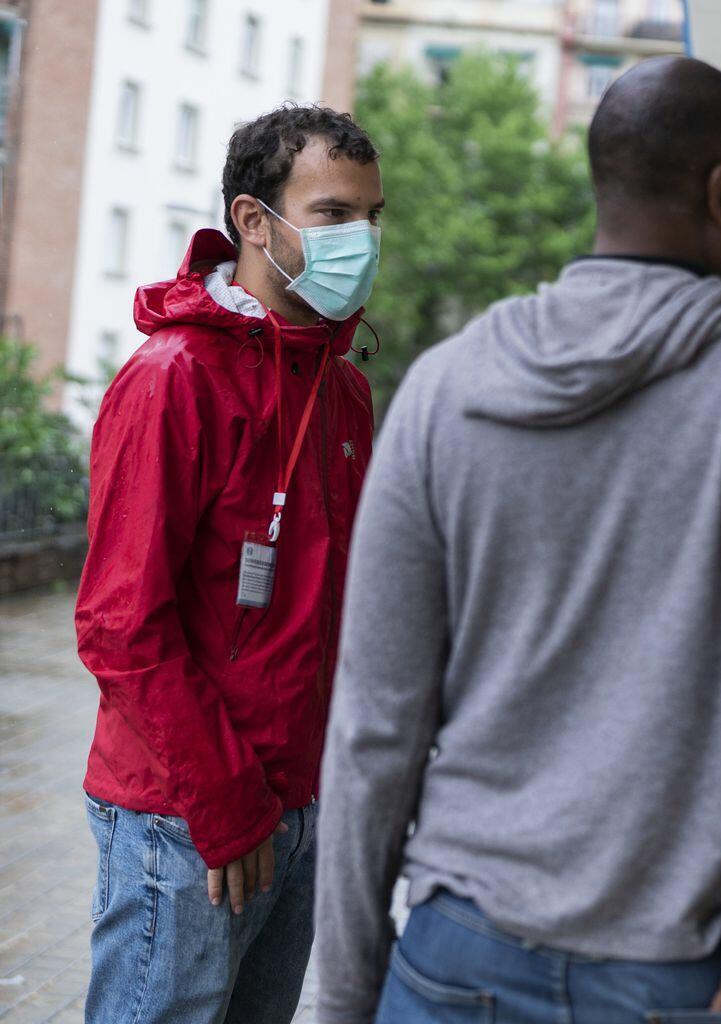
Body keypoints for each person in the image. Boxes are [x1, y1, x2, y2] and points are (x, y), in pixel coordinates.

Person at [313, 55, 721, 1024]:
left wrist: (342, 992)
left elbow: (376, 718)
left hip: (459, 954)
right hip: (689, 968)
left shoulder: (445, 392)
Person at [75, 105, 383, 1023]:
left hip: (298, 809)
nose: (361, 239)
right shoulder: (173, 377)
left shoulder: (343, 386)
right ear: (255, 221)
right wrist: (226, 804)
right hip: (186, 819)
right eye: (333, 215)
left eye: (374, 215)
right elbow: (119, 624)